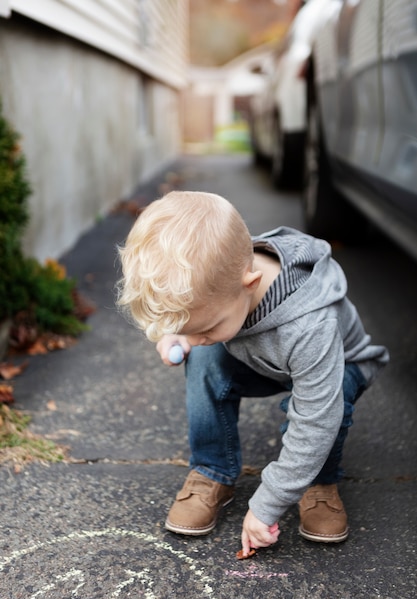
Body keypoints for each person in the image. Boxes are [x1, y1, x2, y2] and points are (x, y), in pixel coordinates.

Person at [117, 190, 389, 556]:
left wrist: (267, 504)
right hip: (265, 358)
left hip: (338, 365)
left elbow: (315, 419)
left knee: (329, 400)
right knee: (204, 358)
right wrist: (175, 331)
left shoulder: (310, 326)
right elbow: (193, 314)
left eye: (206, 327)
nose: (195, 338)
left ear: (249, 284)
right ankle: (213, 470)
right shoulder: (221, 283)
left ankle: (319, 481)